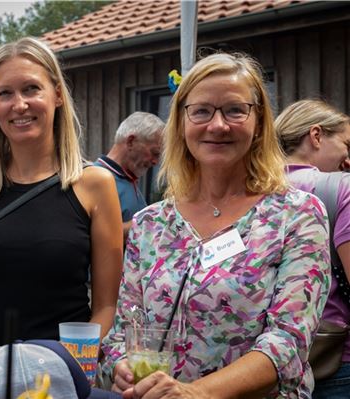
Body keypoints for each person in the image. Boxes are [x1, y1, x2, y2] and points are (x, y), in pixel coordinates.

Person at [102, 52, 330, 398]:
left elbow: (287, 343)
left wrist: (195, 393)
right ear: (181, 123)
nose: (218, 125)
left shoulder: (296, 215)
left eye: (235, 110)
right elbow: (122, 333)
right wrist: (119, 365)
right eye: (202, 111)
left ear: (259, 123)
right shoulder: (151, 224)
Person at [0, 37, 123, 377]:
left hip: (59, 374)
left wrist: (75, 371)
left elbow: (106, 307)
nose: (19, 105)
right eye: (5, 93)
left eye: (31, 89)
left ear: (58, 95)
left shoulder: (96, 184)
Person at [275, 99, 350, 399]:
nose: (348, 158)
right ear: (316, 136)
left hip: (263, 360)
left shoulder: (249, 192)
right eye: (346, 144)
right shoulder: (340, 187)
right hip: (331, 356)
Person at [95, 112, 164, 239]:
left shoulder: (129, 179)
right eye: (154, 153)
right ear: (131, 142)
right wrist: (146, 221)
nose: (155, 162)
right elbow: (92, 235)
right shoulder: (93, 178)